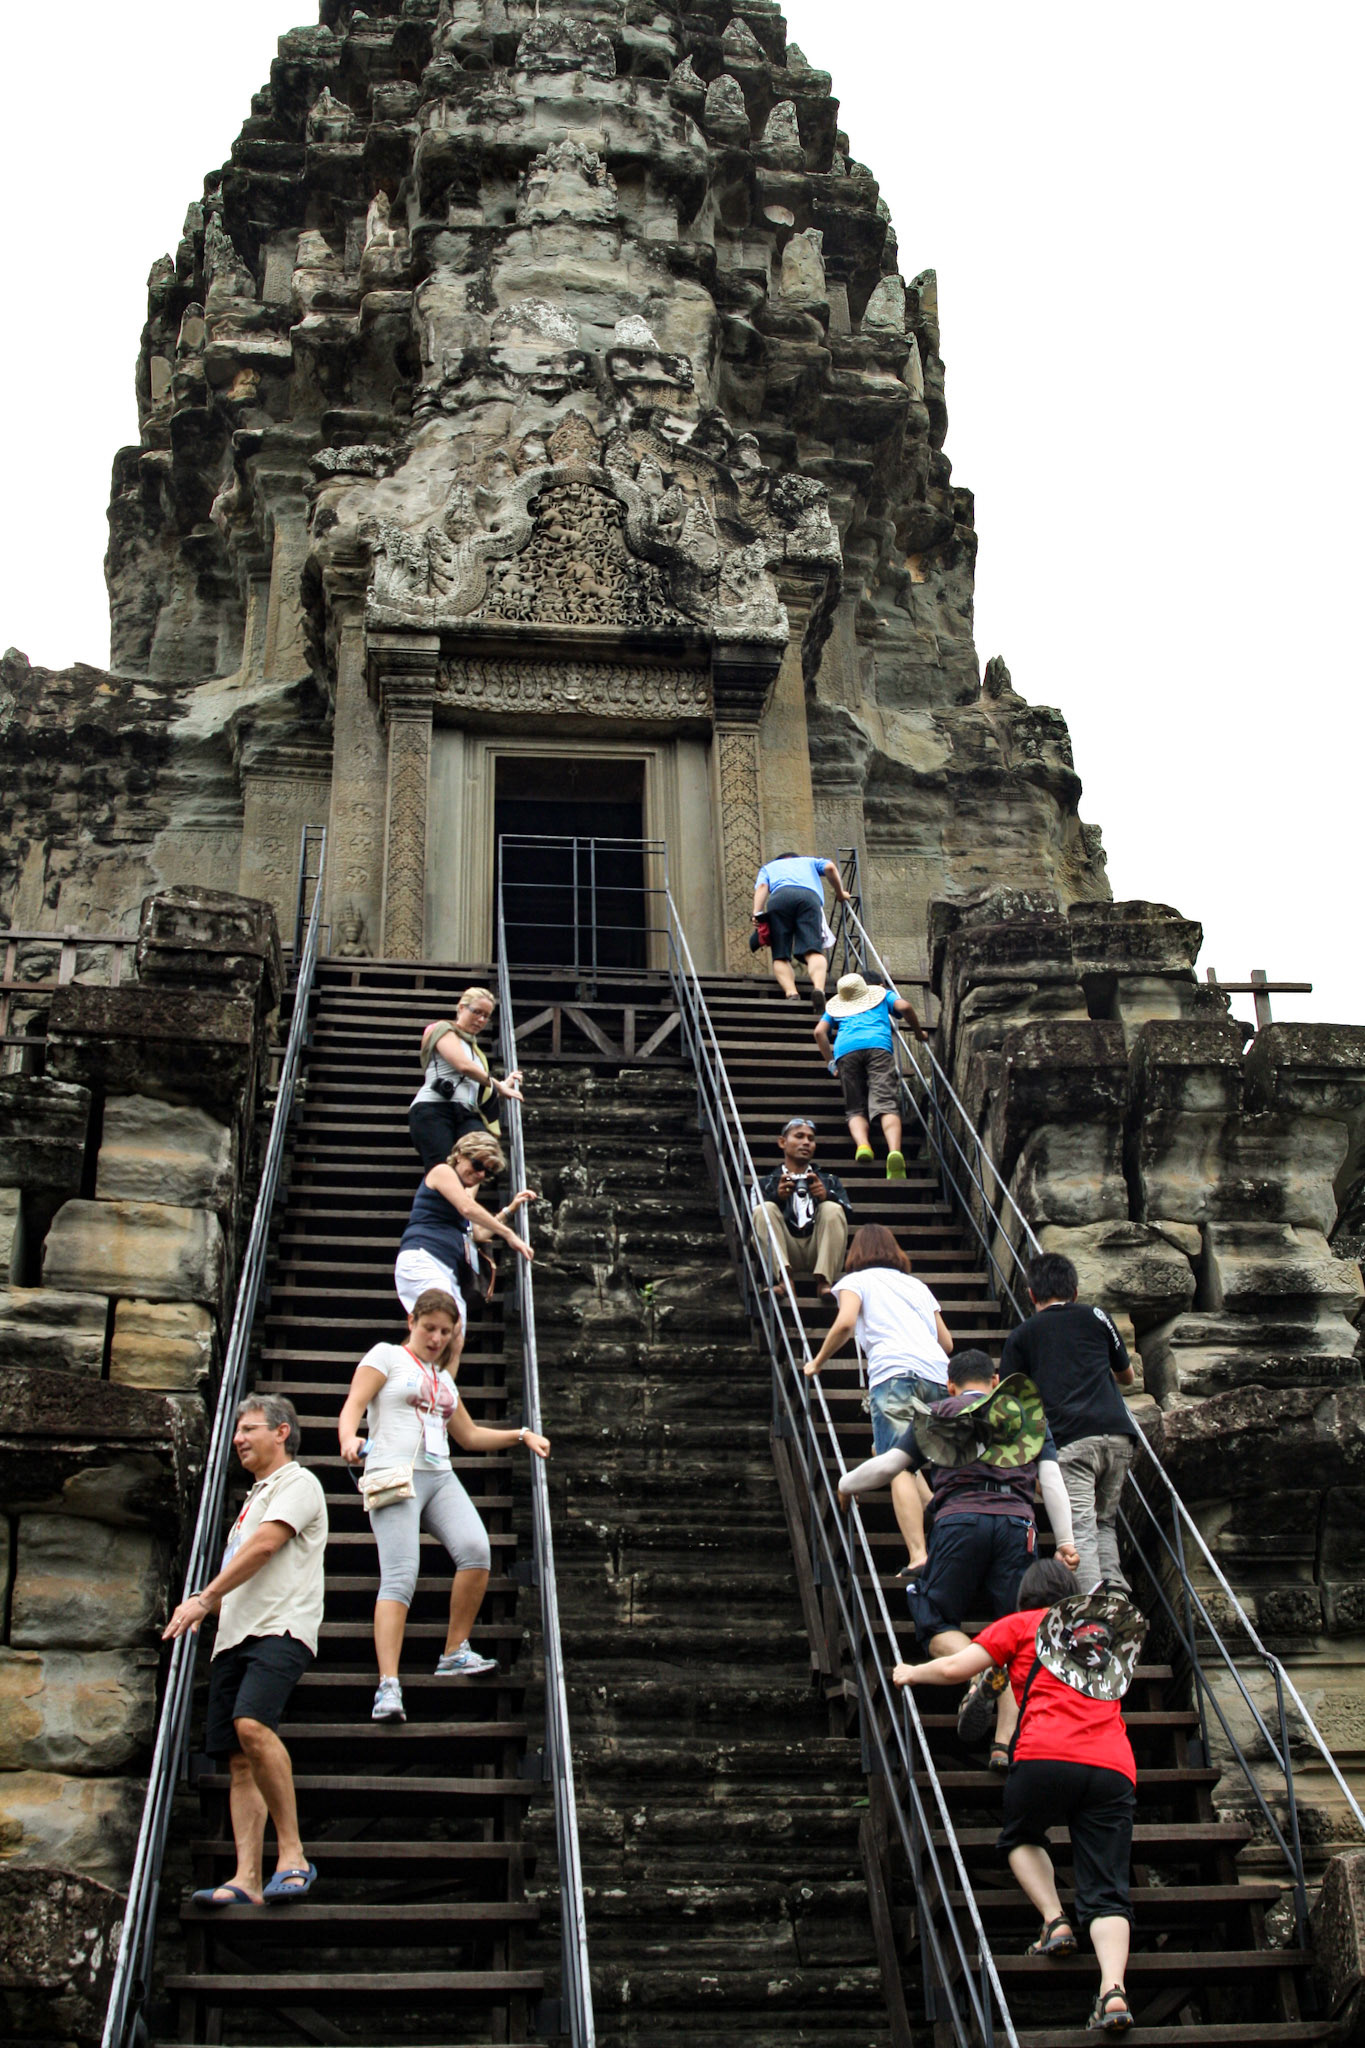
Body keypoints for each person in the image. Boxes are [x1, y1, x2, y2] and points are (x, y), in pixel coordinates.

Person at [895, 1570, 1145, 2032]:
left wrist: (911, 1672)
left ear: (1026, 1595)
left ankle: (1055, 1921)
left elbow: (953, 1669)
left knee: (1021, 1835)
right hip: (1113, 1764)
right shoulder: (1098, 1637)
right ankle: (1113, 1990)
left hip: (1046, 1753)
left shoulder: (1021, 1624)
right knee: (1108, 1888)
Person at [839, 1351, 1080, 1766]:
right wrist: (1066, 1541)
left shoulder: (940, 1412)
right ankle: (1004, 1744)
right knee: (1017, 1632)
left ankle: (979, 1669)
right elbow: (1052, 1479)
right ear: (996, 1379)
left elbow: (892, 1466)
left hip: (958, 1522)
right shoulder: (1020, 1412)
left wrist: (846, 1482)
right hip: (1016, 1525)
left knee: (932, 1617)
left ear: (951, 1385)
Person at [338, 1288, 551, 1721]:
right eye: (429, 1328)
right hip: (395, 1473)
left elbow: (469, 1436)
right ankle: (388, 1686)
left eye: (445, 1332)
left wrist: (521, 1435)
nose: (436, 1338)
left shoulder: (443, 1379)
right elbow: (353, 1406)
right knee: (400, 1577)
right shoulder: (386, 1357)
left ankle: (454, 1650)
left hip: (439, 1475)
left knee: (476, 1551)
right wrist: (348, 1440)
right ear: (411, 1323)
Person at [164, 1395, 328, 1905]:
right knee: (237, 1760)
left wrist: (202, 1599)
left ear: (282, 1432)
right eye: (236, 1431)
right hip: (234, 1636)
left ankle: (294, 1856)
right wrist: (213, 1609)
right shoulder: (252, 1498)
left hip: (280, 1628)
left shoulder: (297, 1483)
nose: (238, 1439)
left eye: (249, 1428)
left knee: (252, 1726)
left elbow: (264, 1548)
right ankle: (247, 1878)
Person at [999, 1252, 1138, 1590]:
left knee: (1079, 1528)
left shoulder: (1022, 1335)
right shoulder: (1097, 1316)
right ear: (1075, 1291)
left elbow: (1010, 1404)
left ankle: (1093, 1612)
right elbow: (1128, 1376)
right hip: (1118, 1436)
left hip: (1070, 1441)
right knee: (1104, 1524)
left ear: (1031, 1295)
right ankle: (1115, 1600)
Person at [804, 1224, 953, 1470]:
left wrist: (817, 1363)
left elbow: (845, 1323)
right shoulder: (917, 1286)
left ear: (855, 1252)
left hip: (894, 1374)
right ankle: (929, 1507)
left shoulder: (856, 1281)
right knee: (924, 1462)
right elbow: (946, 1342)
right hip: (938, 1376)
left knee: (897, 1468)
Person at [394, 1131, 535, 1370]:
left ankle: (442, 1398)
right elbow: (467, 1207)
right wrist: (509, 1234)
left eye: (487, 1172)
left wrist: (509, 1210)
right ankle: (395, 1375)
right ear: (460, 1155)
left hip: (447, 1269)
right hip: (423, 1257)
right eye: (477, 1165)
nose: (480, 1174)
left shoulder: (460, 1191)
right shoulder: (442, 1172)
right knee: (442, 1324)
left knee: (455, 1338)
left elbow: (477, 1233)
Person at [813, 971, 930, 1178]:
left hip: (846, 1050)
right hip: (878, 1045)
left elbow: (819, 1032)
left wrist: (830, 1063)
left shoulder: (838, 1007)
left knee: (854, 1107)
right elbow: (905, 1006)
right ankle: (894, 1151)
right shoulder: (883, 995)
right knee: (885, 1102)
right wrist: (918, 1033)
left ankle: (864, 1146)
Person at [408, 987, 525, 1171]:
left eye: (486, 1016)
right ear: (461, 1008)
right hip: (434, 1108)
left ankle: (466, 1199)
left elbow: (475, 1088)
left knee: (482, 1157)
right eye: (477, 1012)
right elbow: (463, 1066)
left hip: (466, 1111)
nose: (481, 1020)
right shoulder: (442, 1029)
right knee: (443, 1170)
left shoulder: (476, 1052)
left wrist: (502, 1085)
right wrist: (498, 1086)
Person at [752, 1117, 853, 1297]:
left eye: (811, 1139)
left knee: (832, 1208)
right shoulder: (766, 1183)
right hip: (785, 1250)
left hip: (818, 1247)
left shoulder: (829, 1180)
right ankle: (784, 1281)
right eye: (799, 1136)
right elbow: (751, 1224)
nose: (806, 1142)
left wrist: (825, 1196)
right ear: (782, 1142)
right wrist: (778, 1197)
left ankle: (825, 1282)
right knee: (764, 1209)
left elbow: (847, 1218)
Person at [751, 850, 851, 1009]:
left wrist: (756, 913)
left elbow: (762, 886)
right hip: (809, 898)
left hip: (779, 898)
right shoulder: (810, 861)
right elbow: (830, 868)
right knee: (813, 951)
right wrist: (840, 894)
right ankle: (819, 989)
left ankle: (791, 993)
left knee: (780, 955)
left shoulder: (769, 867)